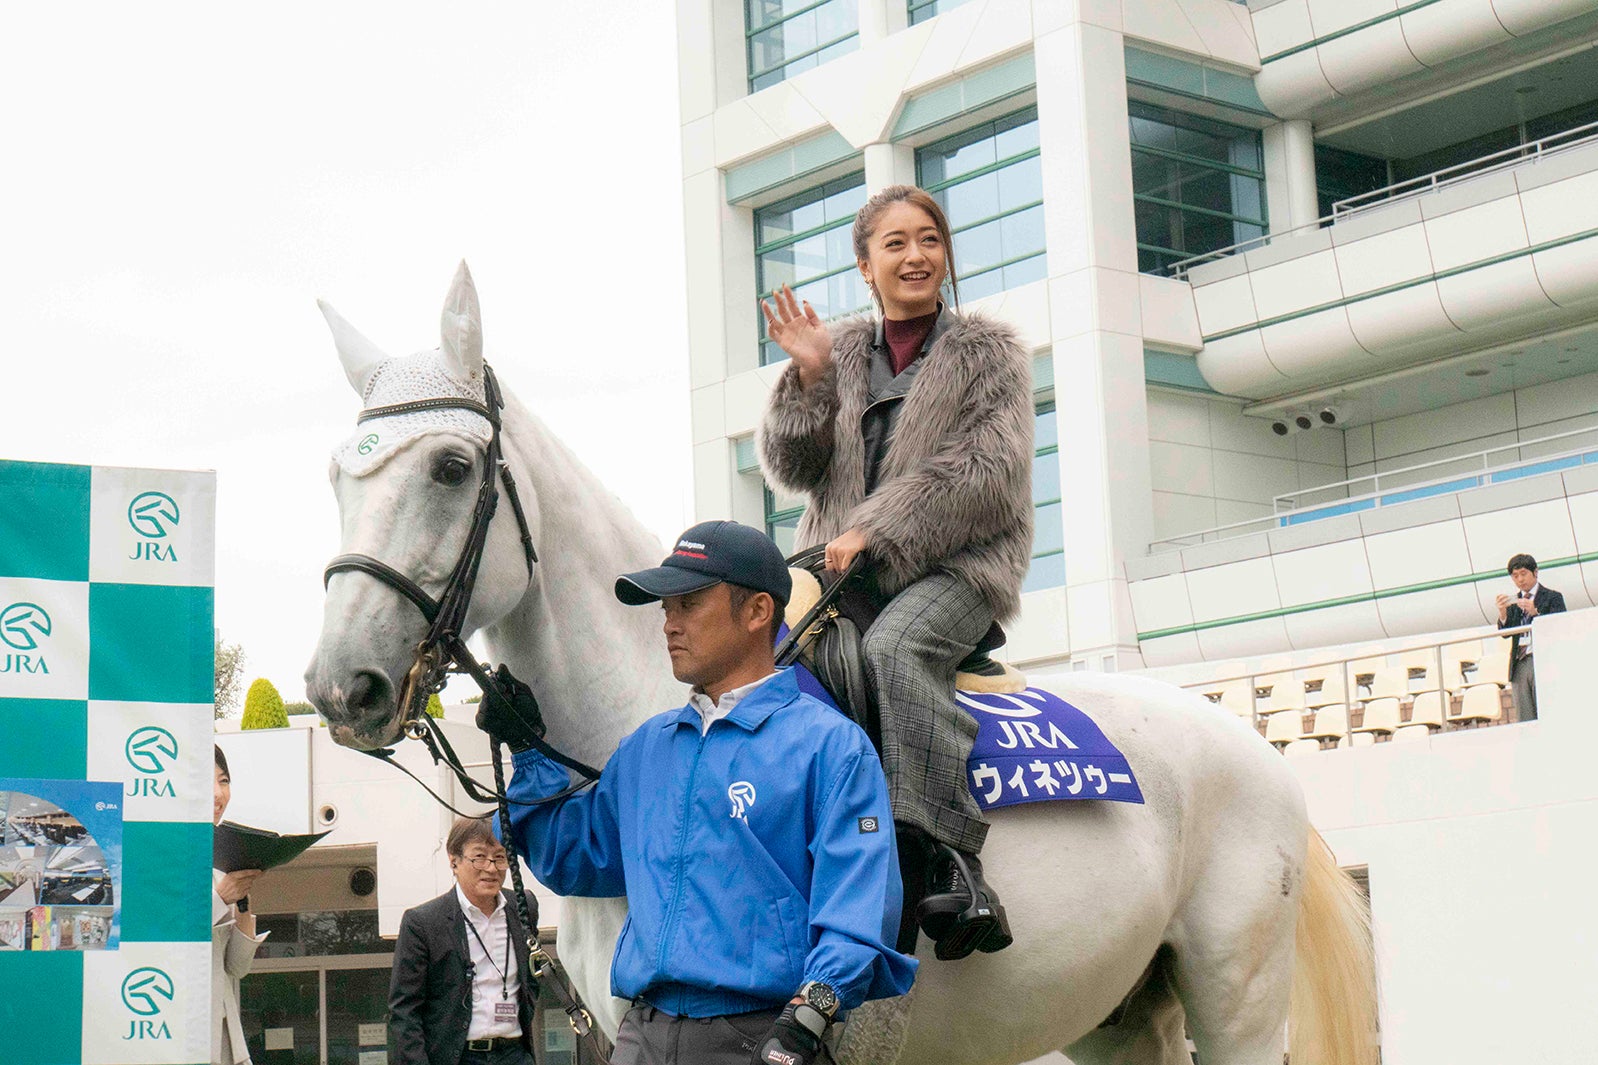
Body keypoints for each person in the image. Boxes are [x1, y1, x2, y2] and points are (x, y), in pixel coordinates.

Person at [479, 520, 915, 1065]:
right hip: (641, 1034)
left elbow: (859, 908)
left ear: (758, 612)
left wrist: (808, 1020)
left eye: (687, 604)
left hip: (765, 1036)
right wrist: (527, 750)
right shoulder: (646, 749)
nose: (669, 624)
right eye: (666, 608)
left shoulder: (830, 747)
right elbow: (573, 857)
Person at [756, 183, 1033, 959]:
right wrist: (809, 379)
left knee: (894, 651)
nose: (916, 256)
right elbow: (792, 465)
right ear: (864, 263)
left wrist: (874, 528)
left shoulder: (990, 355)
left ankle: (949, 857)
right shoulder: (839, 352)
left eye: (930, 240)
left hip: (956, 569)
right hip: (837, 573)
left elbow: (988, 472)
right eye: (896, 243)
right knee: (757, 661)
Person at [388, 818, 540, 1065]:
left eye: (500, 858)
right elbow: (405, 1010)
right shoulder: (423, 923)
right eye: (479, 857)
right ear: (454, 861)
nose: (491, 868)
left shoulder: (524, 907)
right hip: (457, 1057)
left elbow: (531, 978)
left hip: (514, 1054)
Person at [213, 746, 267, 1065]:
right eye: (209, 782)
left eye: (224, 780)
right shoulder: (164, 851)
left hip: (222, 1027)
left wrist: (242, 901)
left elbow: (237, 967)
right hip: (176, 1023)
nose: (219, 794)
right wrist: (220, 898)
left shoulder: (222, 861)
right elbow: (164, 932)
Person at [1496, 553, 1566, 721]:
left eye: (1523, 574)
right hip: (1519, 661)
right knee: (1524, 715)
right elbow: (1506, 634)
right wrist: (1503, 613)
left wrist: (1537, 613)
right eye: (1515, 576)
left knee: (1547, 709)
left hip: (1542, 657)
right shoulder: (1513, 602)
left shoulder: (1552, 597)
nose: (1520, 579)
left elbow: (1562, 625)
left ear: (1535, 572)